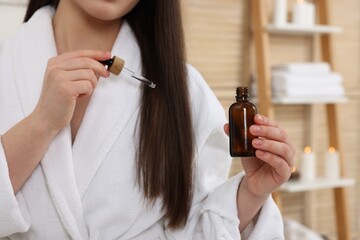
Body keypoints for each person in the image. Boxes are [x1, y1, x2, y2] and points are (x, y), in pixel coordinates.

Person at [0, 0, 296, 239]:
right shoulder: (6, 66)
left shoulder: (186, 92)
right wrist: (42, 123)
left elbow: (196, 228)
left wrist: (252, 195)